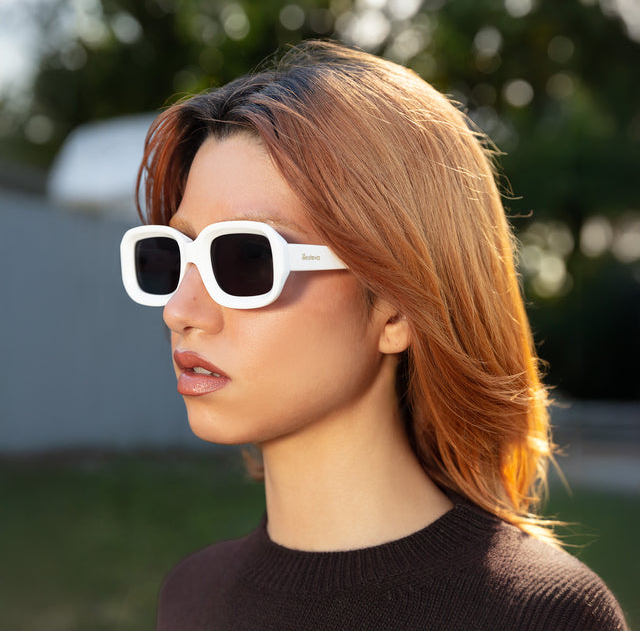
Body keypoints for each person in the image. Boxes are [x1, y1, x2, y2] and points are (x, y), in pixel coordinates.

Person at [120, 40, 628, 630]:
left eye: (245, 259)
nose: (180, 311)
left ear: (395, 309)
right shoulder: (190, 599)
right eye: (173, 253)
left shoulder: (544, 615)